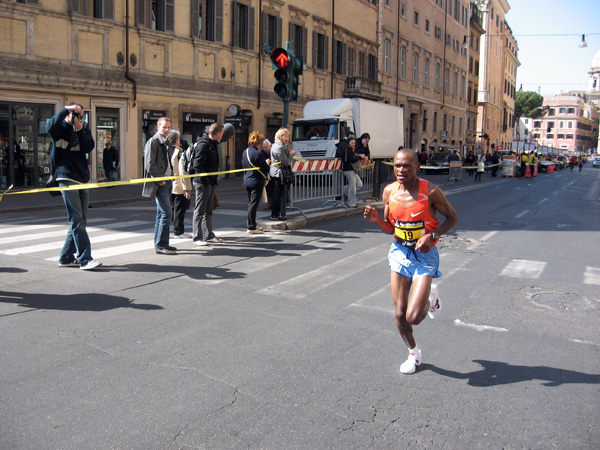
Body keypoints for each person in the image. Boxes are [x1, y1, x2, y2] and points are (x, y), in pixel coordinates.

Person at [363, 149, 458, 374]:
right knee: (399, 314)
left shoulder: (432, 192)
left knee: (414, 317)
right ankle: (413, 354)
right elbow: (391, 228)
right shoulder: (388, 191)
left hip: (425, 255)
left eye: (406, 165)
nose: (401, 170)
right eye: (397, 165)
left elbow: (453, 217)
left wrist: (433, 236)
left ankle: (430, 297)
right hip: (399, 253)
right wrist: (377, 220)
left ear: (417, 167)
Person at [47, 102, 101, 270]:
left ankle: (65, 258)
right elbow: (49, 127)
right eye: (75, 114)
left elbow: (89, 146)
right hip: (66, 177)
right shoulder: (60, 128)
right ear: (68, 114)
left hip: (82, 177)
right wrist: (66, 110)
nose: (79, 117)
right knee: (77, 219)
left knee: (81, 220)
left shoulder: (83, 127)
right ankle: (85, 259)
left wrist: (79, 130)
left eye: (81, 115)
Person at [142, 117, 177, 255]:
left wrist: (172, 175)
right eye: (164, 127)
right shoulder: (154, 142)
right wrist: (159, 179)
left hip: (167, 181)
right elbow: (149, 164)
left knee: (161, 214)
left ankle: (163, 243)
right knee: (166, 213)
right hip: (161, 182)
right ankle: (161, 245)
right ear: (158, 128)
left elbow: (167, 161)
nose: (167, 130)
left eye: (169, 127)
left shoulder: (166, 142)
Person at [192, 122, 224, 246]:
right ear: (218, 133)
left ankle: (208, 234)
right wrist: (205, 180)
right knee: (200, 210)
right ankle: (197, 236)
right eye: (221, 133)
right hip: (202, 182)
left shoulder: (213, 144)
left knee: (209, 209)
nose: (222, 135)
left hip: (210, 181)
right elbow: (197, 165)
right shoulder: (204, 145)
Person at [242, 131, 271, 234]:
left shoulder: (245, 152)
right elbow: (265, 169)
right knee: (253, 204)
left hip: (248, 180)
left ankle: (252, 223)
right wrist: (267, 163)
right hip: (256, 181)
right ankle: (251, 227)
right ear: (259, 141)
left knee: (251, 203)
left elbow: (244, 167)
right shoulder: (258, 154)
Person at [166, 129, 192, 239]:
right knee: (179, 209)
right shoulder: (179, 152)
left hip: (169, 183)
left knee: (171, 209)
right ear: (177, 140)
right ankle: (178, 230)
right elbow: (182, 171)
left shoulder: (166, 150)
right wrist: (187, 188)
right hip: (178, 184)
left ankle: (169, 230)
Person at [269, 128, 295, 221]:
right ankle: (275, 214)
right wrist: (291, 154)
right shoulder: (280, 147)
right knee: (277, 194)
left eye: (288, 136)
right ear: (280, 137)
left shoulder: (278, 145)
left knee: (277, 194)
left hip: (276, 172)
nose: (287, 138)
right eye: (285, 136)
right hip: (278, 173)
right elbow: (285, 162)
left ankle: (276, 213)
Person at [342, 137, 366, 208]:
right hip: (349, 169)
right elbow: (352, 159)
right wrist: (360, 157)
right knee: (352, 186)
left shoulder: (351, 150)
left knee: (359, 184)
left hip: (352, 170)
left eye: (354, 143)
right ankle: (351, 203)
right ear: (348, 143)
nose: (353, 144)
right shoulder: (347, 150)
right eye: (352, 142)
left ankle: (341, 190)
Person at [260, 139, 273, 210]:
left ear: (270, 146)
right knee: (268, 189)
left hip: (273, 172)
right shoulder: (262, 153)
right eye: (264, 147)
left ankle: (285, 202)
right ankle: (270, 203)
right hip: (266, 174)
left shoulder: (273, 152)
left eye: (266, 147)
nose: (265, 149)